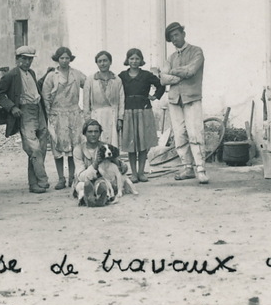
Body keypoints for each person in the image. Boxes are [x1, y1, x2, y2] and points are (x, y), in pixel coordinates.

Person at [0, 45, 49, 194]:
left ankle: (34, 184)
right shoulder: (11, 75)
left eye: (30, 59)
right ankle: (43, 180)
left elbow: (34, 90)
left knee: (41, 148)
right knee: (33, 148)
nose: (27, 62)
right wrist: (12, 107)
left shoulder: (31, 73)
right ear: (17, 59)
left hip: (38, 110)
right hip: (25, 112)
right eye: (24, 59)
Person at [160, 22, 208, 184]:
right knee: (179, 134)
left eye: (176, 35)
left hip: (192, 98)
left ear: (183, 34)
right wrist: (180, 74)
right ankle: (188, 167)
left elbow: (191, 71)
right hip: (174, 99)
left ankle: (200, 168)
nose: (174, 39)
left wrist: (172, 72)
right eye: (171, 37)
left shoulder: (196, 51)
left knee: (195, 132)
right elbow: (162, 79)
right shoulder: (171, 57)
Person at [41, 46, 87, 190]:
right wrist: (50, 114)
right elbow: (45, 95)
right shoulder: (51, 75)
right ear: (58, 59)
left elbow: (89, 85)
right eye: (62, 58)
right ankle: (61, 178)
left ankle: (73, 177)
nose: (65, 61)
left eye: (67, 58)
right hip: (57, 114)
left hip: (73, 113)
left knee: (74, 146)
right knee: (58, 147)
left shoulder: (76, 74)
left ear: (70, 59)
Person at [119, 48, 165, 183]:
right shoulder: (122, 76)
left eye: (137, 58)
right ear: (127, 60)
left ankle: (141, 172)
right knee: (132, 144)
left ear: (141, 60)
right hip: (128, 111)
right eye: (131, 58)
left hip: (144, 110)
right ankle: (133, 173)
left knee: (143, 143)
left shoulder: (146, 75)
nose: (134, 61)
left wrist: (155, 96)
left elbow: (160, 84)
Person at [85, 50, 123, 148]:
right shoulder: (90, 80)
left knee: (112, 144)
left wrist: (120, 118)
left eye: (105, 61)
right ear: (97, 63)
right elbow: (86, 102)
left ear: (110, 62)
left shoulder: (117, 80)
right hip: (96, 115)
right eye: (100, 61)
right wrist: (88, 119)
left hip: (112, 115)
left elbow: (122, 100)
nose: (103, 63)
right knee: (97, 143)